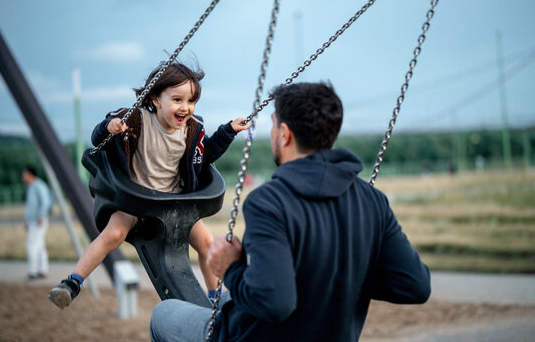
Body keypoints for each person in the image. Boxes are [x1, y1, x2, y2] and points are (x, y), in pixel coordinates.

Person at [149, 82, 431, 342]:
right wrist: (338, 277)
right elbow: (415, 285)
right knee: (217, 301)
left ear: (285, 134)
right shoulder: (373, 200)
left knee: (164, 314)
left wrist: (231, 268)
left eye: (273, 125)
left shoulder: (269, 201)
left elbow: (274, 302)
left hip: (256, 334)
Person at [48, 62, 249, 309]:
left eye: (191, 101)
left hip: (175, 203)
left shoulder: (192, 129)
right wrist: (109, 128)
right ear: (155, 98)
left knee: (207, 243)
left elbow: (205, 156)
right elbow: (98, 138)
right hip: (137, 202)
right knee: (113, 234)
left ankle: (214, 298)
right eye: (177, 99)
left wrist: (228, 131)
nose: (185, 108)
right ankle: (72, 282)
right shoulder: (134, 120)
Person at [22, 165, 52, 280]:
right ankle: (42, 269)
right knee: (39, 245)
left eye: (24, 174)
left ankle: (32, 271)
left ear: (30, 174)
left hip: (38, 220)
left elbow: (45, 202)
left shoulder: (39, 186)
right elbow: (30, 207)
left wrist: (41, 216)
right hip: (32, 221)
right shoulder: (31, 187)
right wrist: (26, 220)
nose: (23, 176)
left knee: (31, 245)